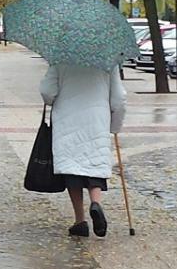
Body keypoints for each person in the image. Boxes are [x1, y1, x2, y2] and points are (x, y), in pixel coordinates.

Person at [39, 64, 126, 238]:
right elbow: (119, 99)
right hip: (97, 120)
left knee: (72, 169)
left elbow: (47, 92)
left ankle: (80, 221)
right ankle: (96, 203)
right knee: (94, 162)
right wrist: (115, 126)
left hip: (68, 119)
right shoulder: (109, 60)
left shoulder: (61, 58)